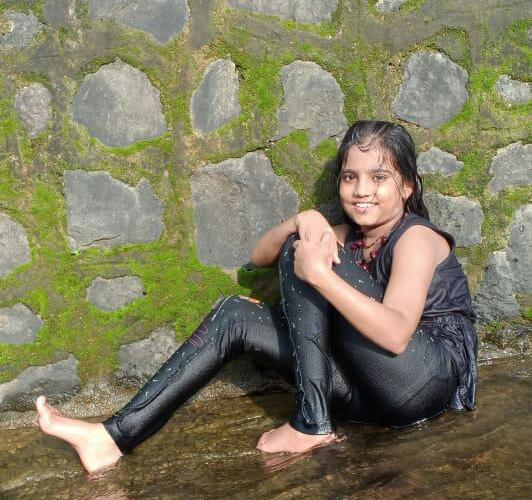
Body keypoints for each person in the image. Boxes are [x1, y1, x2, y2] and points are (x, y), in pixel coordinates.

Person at [36, 120, 477, 473]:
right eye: (350, 177)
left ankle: (312, 421)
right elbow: (261, 255)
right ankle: (111, 438)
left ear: (407, 187)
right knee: (237, 313)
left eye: (379, 178)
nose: (362, 190)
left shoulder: (416, 237)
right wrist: (302, 218)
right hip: (369, 394)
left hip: (423, 382)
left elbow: (397, 335)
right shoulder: (348, 236)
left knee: (304, 251)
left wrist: (319, 275)